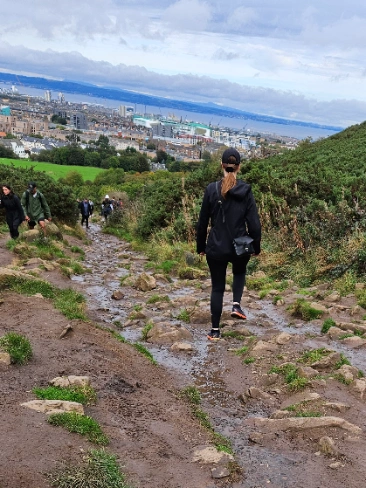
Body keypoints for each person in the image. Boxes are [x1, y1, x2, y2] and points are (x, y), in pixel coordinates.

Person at [196, 148, 261, 341]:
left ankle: (215, 331)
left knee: (217, 287)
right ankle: (236, 305)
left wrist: (200, 246)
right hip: (240, 247)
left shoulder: (211, 189)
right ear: (238, 167)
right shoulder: (246, 191)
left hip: (215, 247)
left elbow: (202, 223)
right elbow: (254, 224)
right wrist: (256, 246)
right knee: (239, 272)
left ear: (222, 165)